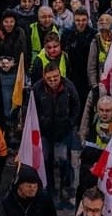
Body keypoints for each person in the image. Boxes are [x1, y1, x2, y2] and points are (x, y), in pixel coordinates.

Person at [31, 61, 81, 207]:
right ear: (44, 77)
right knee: (46, 161)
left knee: (64, 162)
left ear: (60, 74)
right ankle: (50, 191)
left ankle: (65, 191)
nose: (53, 81)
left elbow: (76, 106)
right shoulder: (37, 89)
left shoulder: (69, 87)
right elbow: (32, 110)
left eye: (56, 78)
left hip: (63, 132)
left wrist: (70, 123)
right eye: (49, 79)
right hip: (45, 133)